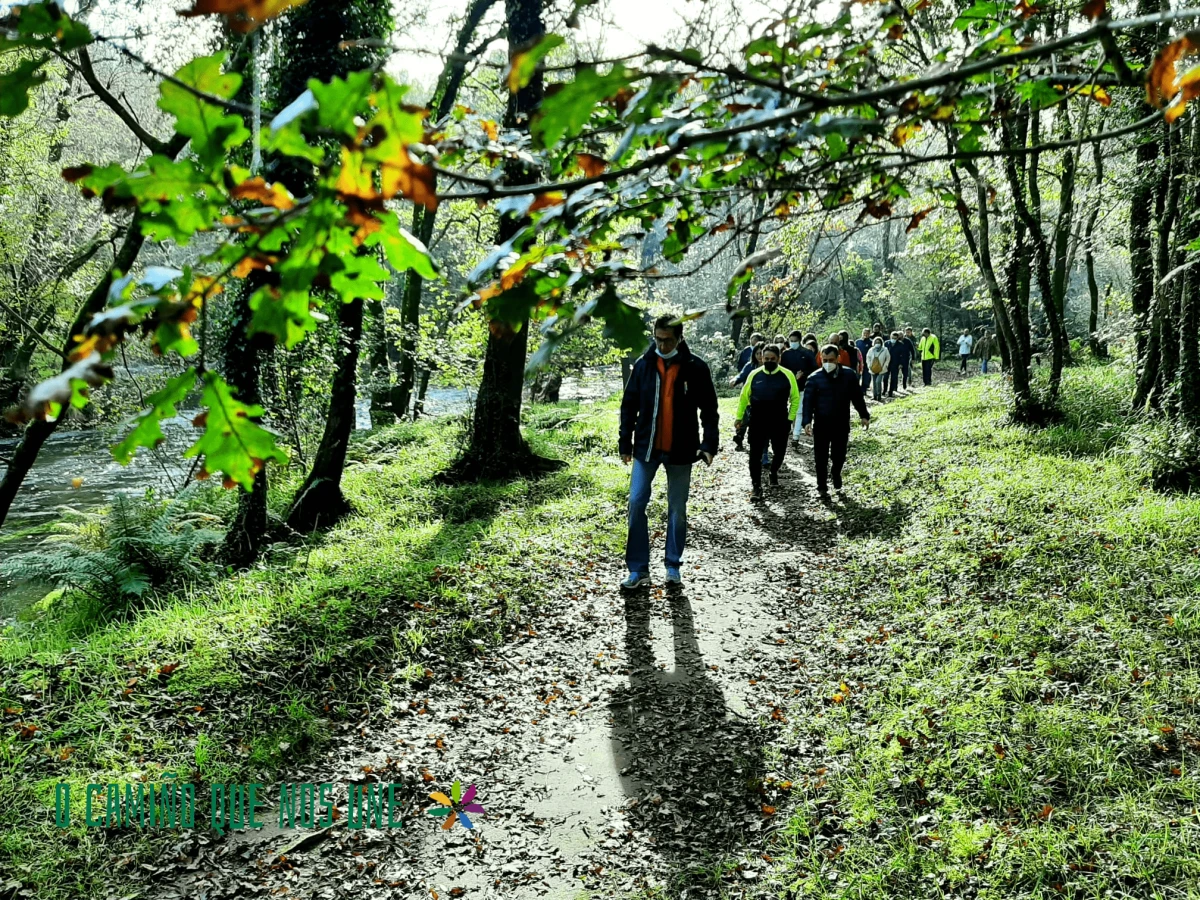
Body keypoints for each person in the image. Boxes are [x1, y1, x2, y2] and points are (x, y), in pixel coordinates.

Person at [619, 315, 718, 590]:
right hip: (646, 448)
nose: (662, 346)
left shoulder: (695, 367)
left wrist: (709, 444)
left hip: (681, 450)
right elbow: (629, 406)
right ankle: (638, 569)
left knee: (677, 508)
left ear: (679, 338)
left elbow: (709, 409)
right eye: (658, 339)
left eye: (668, 340)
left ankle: (673, 566)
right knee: (636, 502)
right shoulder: (643, 365)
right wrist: (625, 443)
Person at [801, 345, 870, 493]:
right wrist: (806, 421)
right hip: (821, 424)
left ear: (838, 358)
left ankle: (836, 472)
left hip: (841, 422)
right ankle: (822, 485)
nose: (828, 363)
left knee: (839, 455)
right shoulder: (814, 378)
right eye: (825, 360)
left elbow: (857, 397)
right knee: (820, 457)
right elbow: (807, 402)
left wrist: (864, 415)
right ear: (820, 359)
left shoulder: (849, 375)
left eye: (831, 360)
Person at [735, 344, 799, 501]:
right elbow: (744, 397)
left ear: (779, 359)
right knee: (754, 455)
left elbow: (795, 398)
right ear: (761, 358)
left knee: (779, 452)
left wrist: (790, 419)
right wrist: (739, 417)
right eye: (766, 359)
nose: (769, 361)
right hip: (758, 420)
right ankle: (756, 486)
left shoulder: (787, 375)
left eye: (772, 359)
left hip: (780, 421)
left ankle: (773, 472)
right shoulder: (754, 375)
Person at [729, 342, 765, 450]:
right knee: (743, 420)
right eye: (757, 353)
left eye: (761, 353)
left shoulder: (770, 367)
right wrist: (735, 380)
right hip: (748, 397)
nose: (759, 356)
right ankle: (739, 438)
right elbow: (741, 375)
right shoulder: (750, 366)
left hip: (763, 399)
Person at [885, 330, 910, 396]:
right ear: (890, 337)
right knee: (885, 377)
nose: (893, 339)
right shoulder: (886, 343)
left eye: (895, 338)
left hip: (896, 364)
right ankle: (884, 390)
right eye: (892, 338)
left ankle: (890, 392)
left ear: (897, 338)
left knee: (893, 378)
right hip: (886, 363)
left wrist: (901, 364)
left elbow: (903, 355)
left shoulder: (901, 344)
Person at [865, 336, 891, 401]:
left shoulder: (885, 349)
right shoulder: (871, 350)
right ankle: (874, 396)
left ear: (881, 343)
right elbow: (868, 358)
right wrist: (869, 365)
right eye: (876, 342)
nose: (877, 343)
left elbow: (888, 358)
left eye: (879, 342)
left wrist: (885, 366)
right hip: (872, 368)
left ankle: (879, 396)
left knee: (878, 381)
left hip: (881, 369)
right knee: (874, 383)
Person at [856, 328, 873, 396]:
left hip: (867, 362)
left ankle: (864, 390)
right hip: (859, 362)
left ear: (869, 334)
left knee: (866, 377)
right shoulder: (858, 342)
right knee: (857, 377)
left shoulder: (871, 342)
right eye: (864, 333)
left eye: (867, 333)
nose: (865, 334)